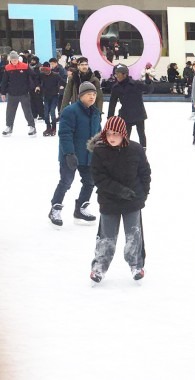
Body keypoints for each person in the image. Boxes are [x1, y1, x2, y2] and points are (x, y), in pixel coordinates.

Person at [88, 116, 151, 283]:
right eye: (109, 133)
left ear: (123, 133)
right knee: (107, 237)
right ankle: (99, 266)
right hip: (109, 200)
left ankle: (136, 264)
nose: (112, 137)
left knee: (134, 235)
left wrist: (144, 194)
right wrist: (120, 191)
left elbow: (145, 173)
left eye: (116, 133)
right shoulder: (100, 152)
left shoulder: (136, 149)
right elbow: (99, 179)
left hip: (133, 200)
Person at [48, 82, 102, 227]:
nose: (92, 97)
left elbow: (99, 134)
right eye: (89, 94)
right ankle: (55, 208)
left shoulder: (96, 112)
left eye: (94, 94)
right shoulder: (70, 111)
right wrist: (69, 153)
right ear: (81, 96)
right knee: (66, 182)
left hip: (88, 155)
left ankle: (81, 208)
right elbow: (65, 134)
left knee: (90, 182)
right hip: (70, 154)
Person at [108, 64, 149, 149]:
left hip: (138, 113)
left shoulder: (136, 84)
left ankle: (143, 150)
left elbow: (149, 89)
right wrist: (110, 116)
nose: (116, 76)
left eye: (118, 74)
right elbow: (112, 103)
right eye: (115, 74)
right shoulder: (116, 87)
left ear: (124, 74)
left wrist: (148, 81)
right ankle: (125, 151)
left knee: (141, 133)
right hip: (125, 114)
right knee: (125, 135)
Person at [1, 51, 37, 136]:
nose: (14, 61)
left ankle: (32, 126)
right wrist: (2, 93)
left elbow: (34, 75)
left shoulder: (24, 66)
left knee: (27, 111)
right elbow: (4, 81)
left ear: (18, 59)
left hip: (24, 93)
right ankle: (9, 126)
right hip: (12, 93)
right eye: (12, 59)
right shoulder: (7, 68)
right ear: (10, 60)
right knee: (10, 111)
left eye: (15, 59)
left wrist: (33, 86)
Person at [37, 62, 65, 136]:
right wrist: (38, 86)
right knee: (46, 114)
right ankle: (48, 127)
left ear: (50, 69)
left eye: (46, 70)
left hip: (54, 96)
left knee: (52, 112)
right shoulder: (42, 75)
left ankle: (54, 128)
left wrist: (61, 87)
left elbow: (63, 82)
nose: (45, 72)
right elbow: (37, 81)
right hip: (46, 96)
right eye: (44, 70)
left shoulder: (56, 75)